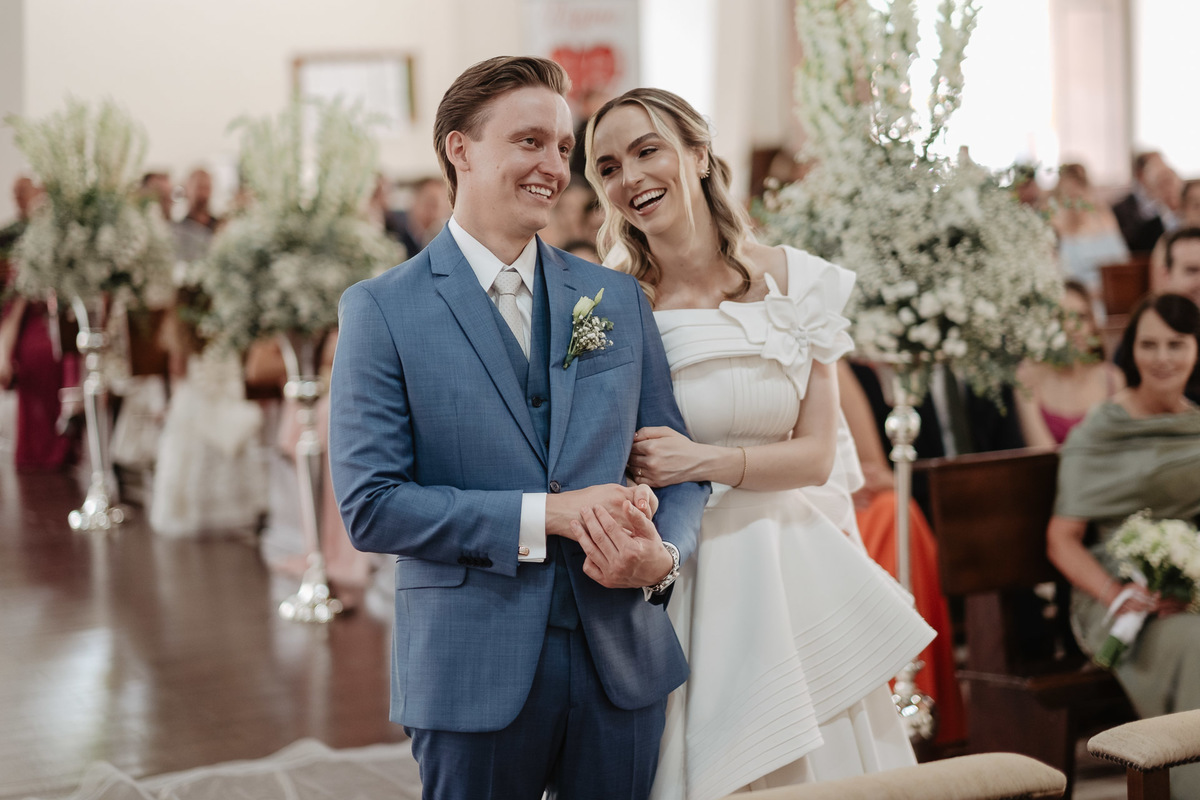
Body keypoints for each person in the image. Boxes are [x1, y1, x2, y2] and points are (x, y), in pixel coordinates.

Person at [328, 57, 709, 800]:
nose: (554, 167)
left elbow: (680, 467)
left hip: (621, 662)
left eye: (562, 148)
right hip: (470, 667)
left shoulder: (615, 298)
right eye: (529, 141)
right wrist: (549, 516)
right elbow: (372, 507)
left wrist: (661, 555)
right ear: (460, 149)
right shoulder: (382, 310)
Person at [586, 87, 933, 799]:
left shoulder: (797, 281)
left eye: (648, 151)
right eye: (609, 167)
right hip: (685, 571)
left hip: (792, 561)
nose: (631, 178)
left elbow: (817, 455)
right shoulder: (608, 303)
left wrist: (703, 461)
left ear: (698, 154)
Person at [1046, 293, 1200, 799]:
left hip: (1189, 589)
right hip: (1116, 597)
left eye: (1176, 344)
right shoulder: (1102, 429)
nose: (1162, 358)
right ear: (1130, 350)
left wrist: (1191, 585)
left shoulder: (1196, 425)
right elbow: (1062, 539)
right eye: (1148, 344)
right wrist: (1118, 594)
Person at [1015, 280, 1124, 447]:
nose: (1073, 327)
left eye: (1081, 316)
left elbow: (1119, 448)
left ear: (1093, 324)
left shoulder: (1113, 378)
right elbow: (1040, 452)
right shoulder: (1028, 376)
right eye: (1060, 317)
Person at [1050, 163, 1129, 296]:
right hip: (1075, 295)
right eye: (1069, 195)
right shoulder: (1055, 227)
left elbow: (1122, 261)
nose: (1075, 202)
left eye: (1078, 193)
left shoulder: (1104, 218)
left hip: (1109, 293)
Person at [1112, 151, 1180, 254]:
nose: (1168, 189)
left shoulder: (1188, 214)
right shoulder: (1148, 228)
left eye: (1169, 181)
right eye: (1161, 183)